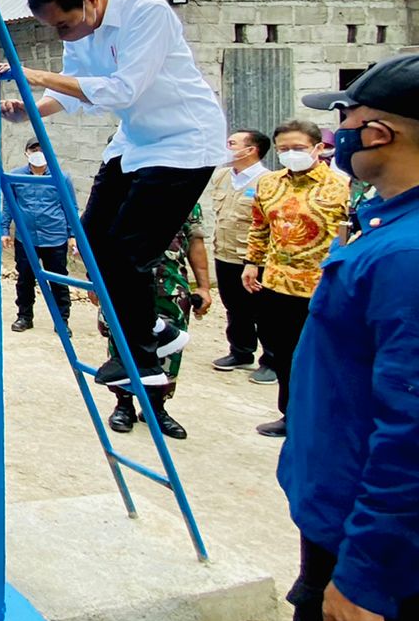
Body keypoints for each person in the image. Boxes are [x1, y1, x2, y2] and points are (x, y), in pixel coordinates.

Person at [0, 0, 228, 391]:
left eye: (63, 25)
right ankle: (156, 330)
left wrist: (33, 74)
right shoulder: (82, 31)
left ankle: (142, 360)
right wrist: (30, 110)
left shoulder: (147, 13)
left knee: (130, 250)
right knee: (92, 240)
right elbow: (70, 92)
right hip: (135, 140)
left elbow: (123, 90)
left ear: (91, 0)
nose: (62, 36)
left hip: (184, 141)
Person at [280, 54, 419, 621]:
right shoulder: (390, 224)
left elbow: (410, 435)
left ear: (380, 133)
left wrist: (365, 576)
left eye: (345, 120)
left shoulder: (406, 256)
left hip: (372, 550)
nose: (336, 136)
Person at [243, 119, 351, 438]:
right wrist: (252, 262)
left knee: (321, 356)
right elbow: (260, 226)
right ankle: (290, 415)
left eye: (299, 148)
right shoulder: (268, 184)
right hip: (276, 283)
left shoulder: (341, 186)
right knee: (283, 354)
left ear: (318, 148)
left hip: (322, 286)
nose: (291, 153)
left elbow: (350, 236)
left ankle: (324, 420)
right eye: (284, 148)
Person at [104, 202, 211, 439]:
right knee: (122, 343)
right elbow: (100, 236)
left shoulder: (186, 197)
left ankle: (156, 408)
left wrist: (204, 286)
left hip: (170, 288)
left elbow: (195, 242)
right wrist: (94, 279)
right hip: (124, 286)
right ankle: (124, 405)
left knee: (170, 348)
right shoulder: (123, 192)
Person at [208, 130, 274, 376]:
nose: (226, 147)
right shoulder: (222, 176)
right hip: (225, 253)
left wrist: (254, 260)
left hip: (255, 258)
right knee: (234, 307)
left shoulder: (269, 181)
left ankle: (271, 361)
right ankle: (241, 352)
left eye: (232, 144)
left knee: (264, 310)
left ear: (251, 150)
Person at [1, 139, 73, 332]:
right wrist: (4, 230)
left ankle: (62, 321)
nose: (38, 152)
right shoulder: (15, 176)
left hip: (55, 237)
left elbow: (70, 207)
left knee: (59, 280)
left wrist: (72, 234)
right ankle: (24, 317)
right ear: (26, 152)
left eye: (42, 149)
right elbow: (8, 205)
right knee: (25, 279)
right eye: (34, 149)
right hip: (26, 238)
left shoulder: (61, 177)